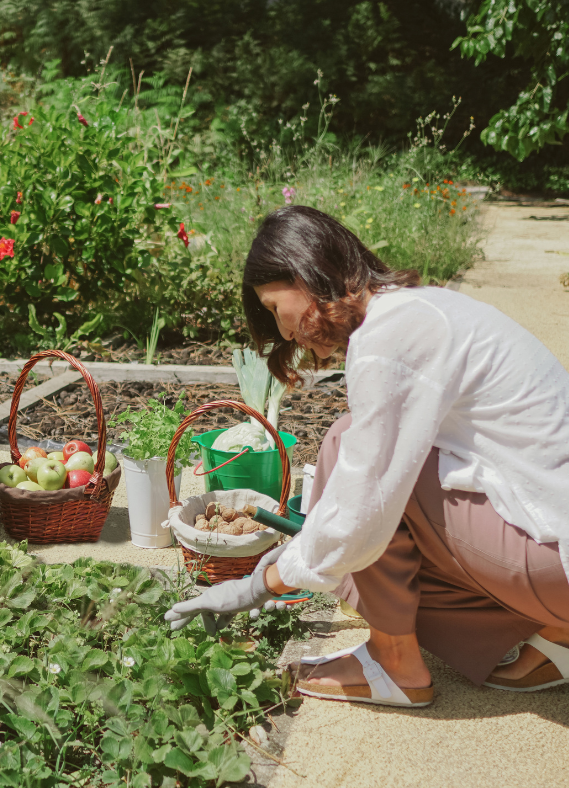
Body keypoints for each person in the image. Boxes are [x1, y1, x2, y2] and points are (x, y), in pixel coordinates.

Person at [166, 205, 569, 707]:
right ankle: (558, 635)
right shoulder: (422, 308)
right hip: (554, 547)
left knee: (346, 447)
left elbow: (364, 501)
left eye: (275, 307)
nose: (285, 332)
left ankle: (395, 662)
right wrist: (301, 553)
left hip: (558, 562)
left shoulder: (390, 336)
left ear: (304, 272)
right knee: (366, 488)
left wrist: (257, 584)